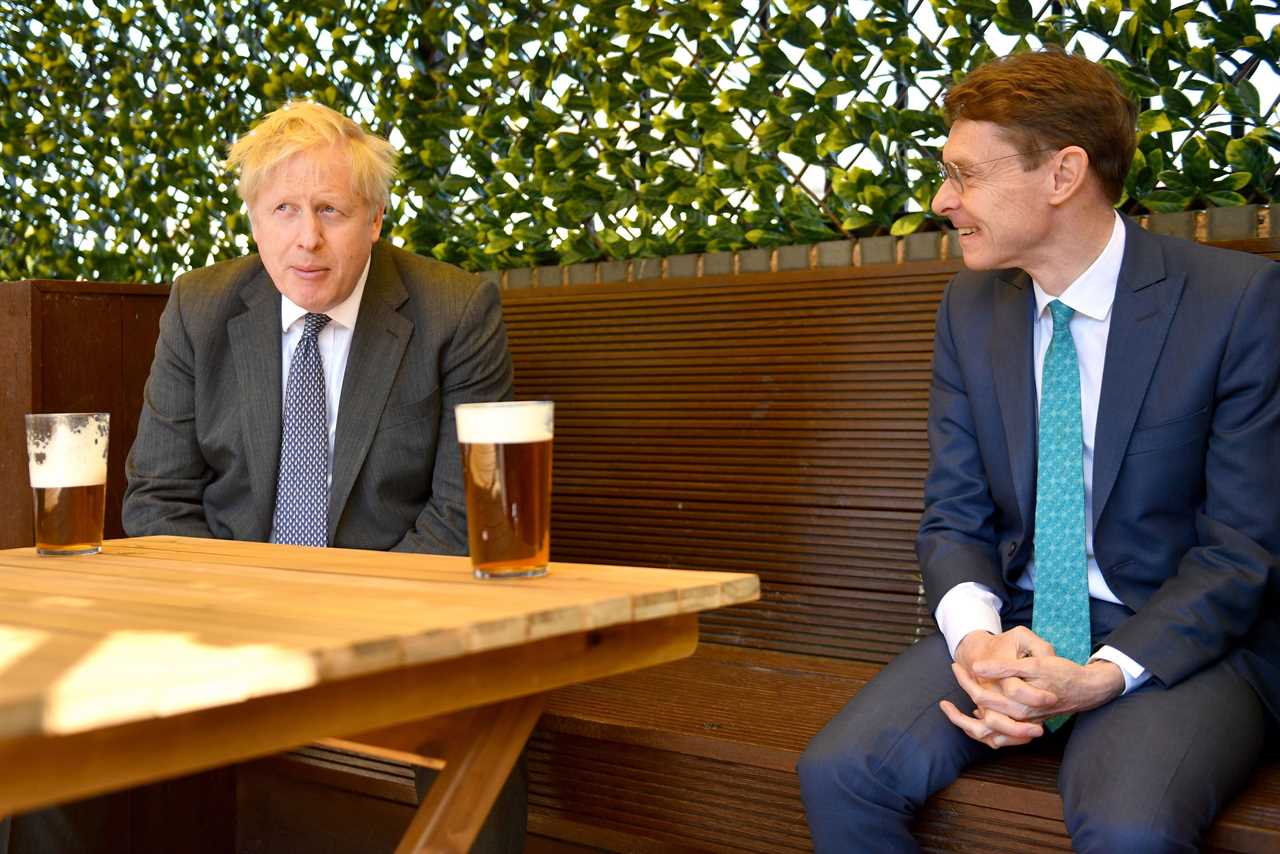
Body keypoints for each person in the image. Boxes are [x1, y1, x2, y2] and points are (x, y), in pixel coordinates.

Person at [798, 49, 1280, 852]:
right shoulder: (971, 307)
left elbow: (1242, 549)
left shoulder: (1235, 305)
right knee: (843, 773)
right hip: (1018, 620)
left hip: (1182, 641)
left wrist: (1098, 674)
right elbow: (954, 510)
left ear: (1062, 175)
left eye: (964, 175)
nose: (941, 199)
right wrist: (978, 639)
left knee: (1129, 828)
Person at [11, 102, 523, 853]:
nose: (305, 238)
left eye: (331, 211)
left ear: (376, 218)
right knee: (45, 724)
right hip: (222, 621)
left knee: (488, 711)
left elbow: (464, 515)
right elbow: (158, 498)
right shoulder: (201, 306)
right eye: (283, 208)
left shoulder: (454, 309)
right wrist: (242, 617)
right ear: (254, 217)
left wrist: (340, 621)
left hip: (391, 622)